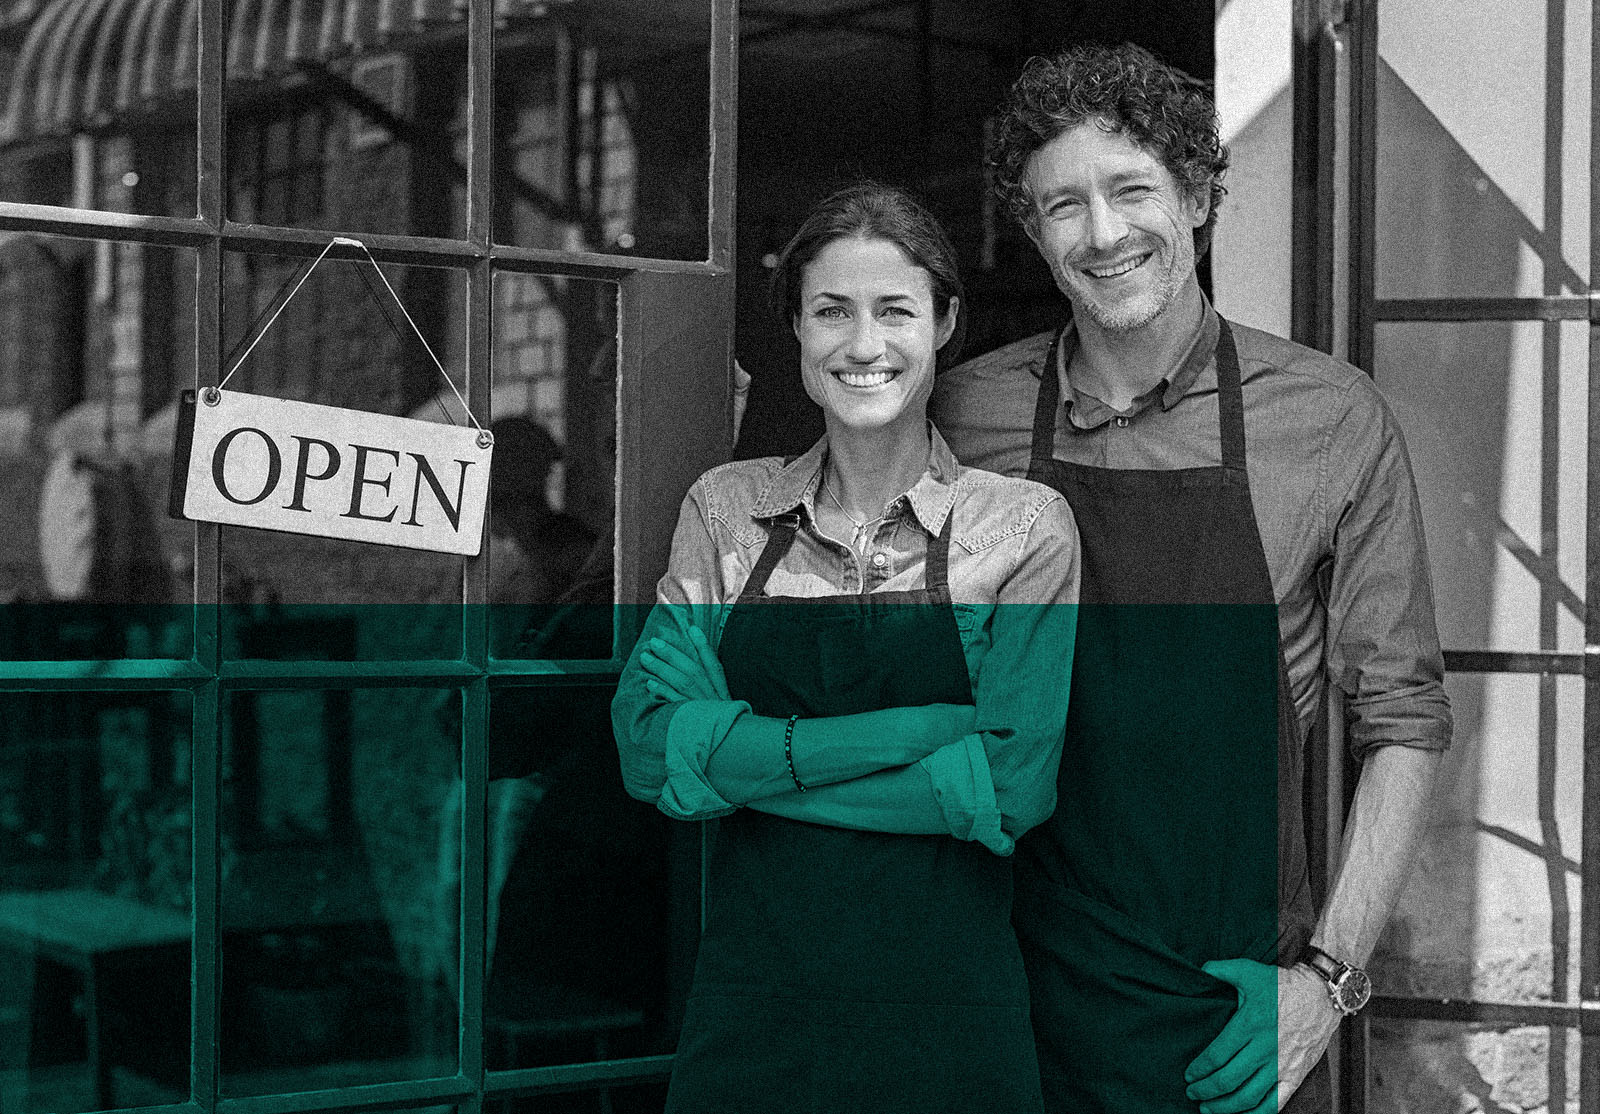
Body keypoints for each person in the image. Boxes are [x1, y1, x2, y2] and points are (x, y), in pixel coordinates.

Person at [931, 43, 1451, 1114]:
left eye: (1131, 189)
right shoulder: (960, 413)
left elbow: (1401, 720)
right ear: (1032, 232)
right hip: (992, 992)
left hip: (1227, 1015)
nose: (1103, 232)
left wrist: (1327, 981)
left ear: (1201, 193)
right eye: (1062, 205)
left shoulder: (1328, 418)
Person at [612, 181, 1079, 1112]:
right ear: (795, 329)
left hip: (950, 1028)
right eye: (832, 311)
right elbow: (647, 752)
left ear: (945, 322)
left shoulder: (1022, 527)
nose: (863, 345)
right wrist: (921, 737)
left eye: (894, 311)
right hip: (755, 1021)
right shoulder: (727, 510)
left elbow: (1015, 790)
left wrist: (741, 757)